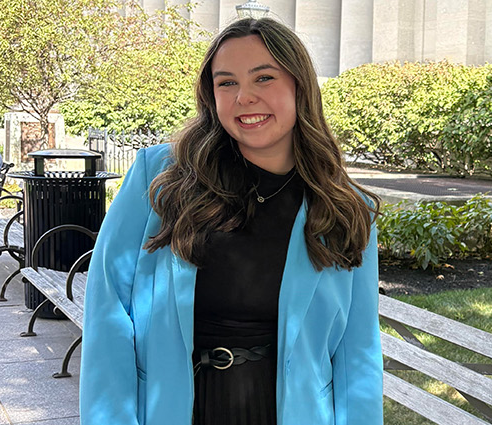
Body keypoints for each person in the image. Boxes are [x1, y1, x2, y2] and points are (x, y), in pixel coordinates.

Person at [80, 18, 382, 425]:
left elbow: (357, 352)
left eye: (263, 77)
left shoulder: (344, 208)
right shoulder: (162, 178)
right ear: (211, 95)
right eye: (226, 83)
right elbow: (109, 310)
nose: (244, 97)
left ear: (300, 86)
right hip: (177, 408)